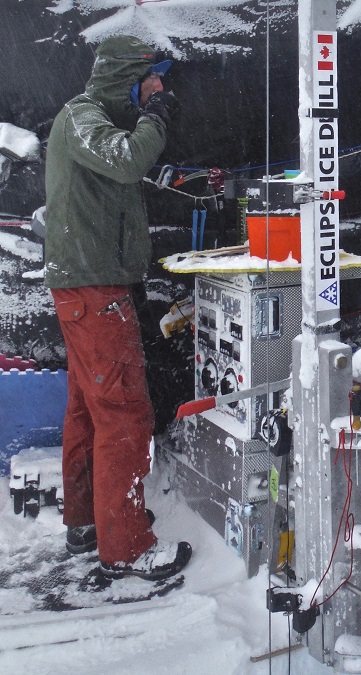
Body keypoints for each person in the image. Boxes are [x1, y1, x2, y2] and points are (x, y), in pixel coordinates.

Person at [44, 35, 191, 581]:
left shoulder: (94, 126)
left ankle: (89, 523)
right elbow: (128, 161)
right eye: (151, 79)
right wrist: (154, 115)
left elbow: (122, 170)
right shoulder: (82, 117)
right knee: (125, 414)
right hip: (95, 290)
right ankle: (127, 547)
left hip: (89, 287)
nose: (160, 88)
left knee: (88, 410)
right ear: (124, 80)